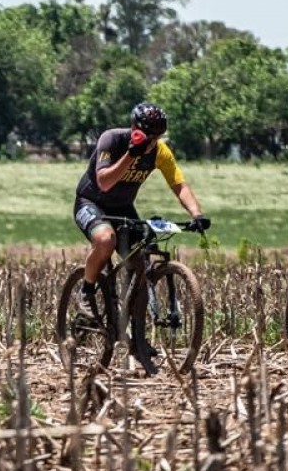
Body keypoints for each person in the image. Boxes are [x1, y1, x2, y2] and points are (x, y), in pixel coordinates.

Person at [71, 101, 209, 320]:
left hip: (122, 207)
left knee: (142, 259)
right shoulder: (112, 139)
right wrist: (131, 155)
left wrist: (197, 214)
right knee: (106, 240)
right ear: (134, 128)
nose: (152, 142)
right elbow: (104, 182)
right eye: (148, 135)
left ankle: (131, 323)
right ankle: (86, 293)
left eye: (157, 136)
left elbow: (179, 185)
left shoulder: (160, 152)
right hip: (91, 202)